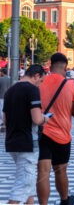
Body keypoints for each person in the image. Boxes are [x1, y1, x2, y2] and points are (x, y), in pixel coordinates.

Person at [37, 53, 74, 205]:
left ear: (50, 67)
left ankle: (43, 204)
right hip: (61, 136)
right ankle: (64, 200)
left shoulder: (38, 83)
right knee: (60, 170)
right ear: (65, 68)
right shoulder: (70, 85)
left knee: (43, 172)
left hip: (40, 133)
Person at [3, 65, 48, 204]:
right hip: (27, 142)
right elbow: (37, 119)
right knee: (24, 184)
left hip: (12, 141)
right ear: (36, 76)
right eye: (41, 81)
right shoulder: (32, 90)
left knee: (28, 183)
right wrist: (45, 118)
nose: (40, 84)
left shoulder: (10, 90)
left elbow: (4, 119)